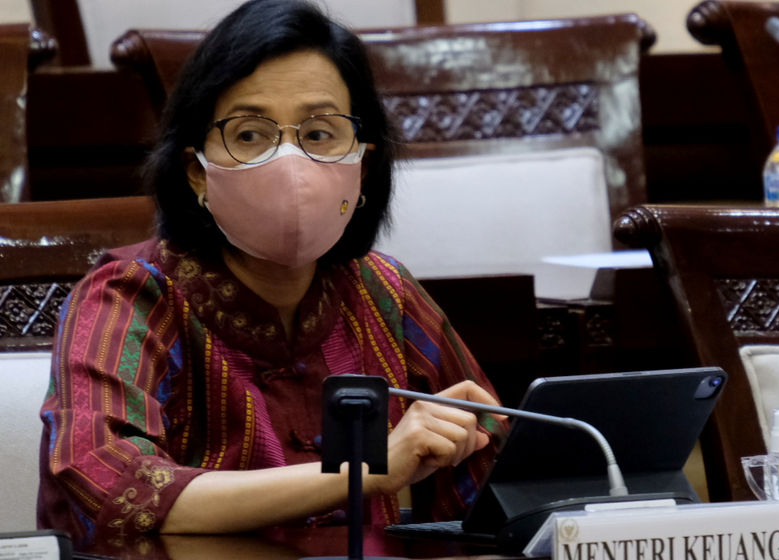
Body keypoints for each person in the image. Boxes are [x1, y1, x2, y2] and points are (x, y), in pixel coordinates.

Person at [37, 0, 505, 548]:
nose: (291, 166)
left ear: (364, 164)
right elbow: (111, 485)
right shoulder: (131, 295)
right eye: (250, 135)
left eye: (321, 133)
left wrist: (463, 441)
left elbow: (491, 474)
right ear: (196, 173)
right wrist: (365, 471)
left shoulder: (384, 291)